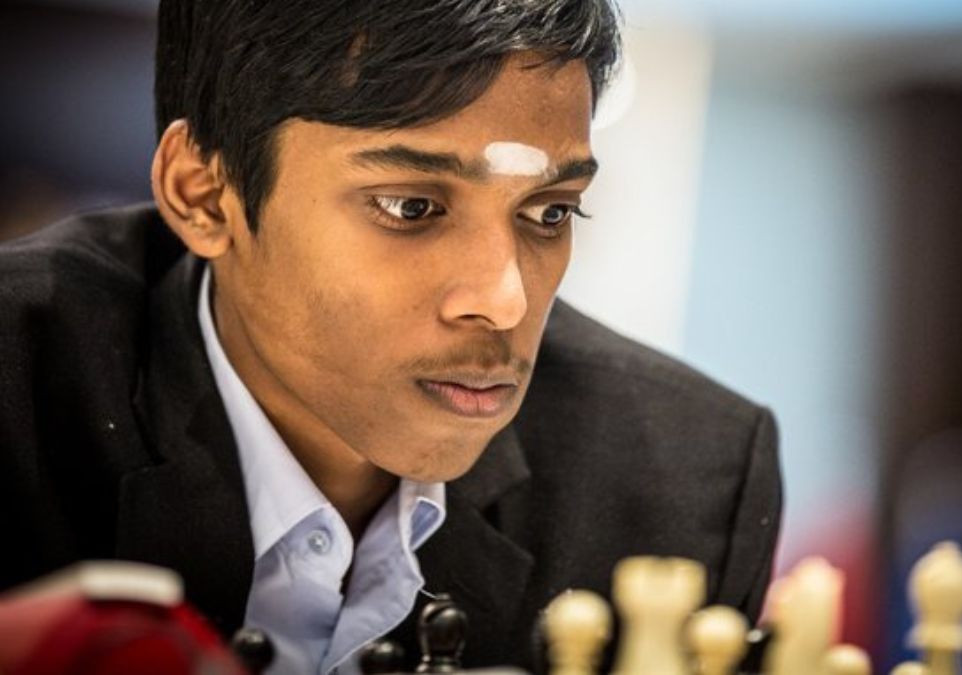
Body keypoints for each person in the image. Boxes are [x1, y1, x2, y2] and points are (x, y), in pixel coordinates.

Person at [0, 0, 781, 672]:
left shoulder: (682, 481)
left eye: (549, 212)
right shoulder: (18, 380)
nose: (504, 301)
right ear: (203, 194)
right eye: (412, 207)